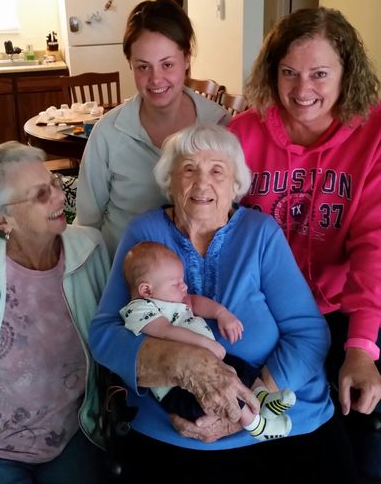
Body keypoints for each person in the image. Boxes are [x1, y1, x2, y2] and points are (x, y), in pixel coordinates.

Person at [90, 124, 358, 483]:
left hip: (284, 421)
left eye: (217, 170)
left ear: (235, 185)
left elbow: (308, 333)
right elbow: (105, 335)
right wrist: (179, 363)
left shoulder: (260, 233)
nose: (202, 183)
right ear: (170, 180)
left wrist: (252, 399)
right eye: (188, 169)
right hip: (174, 426)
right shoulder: (144, 235)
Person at [228, 6, 381, 478]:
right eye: (289, 73)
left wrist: (360, 346)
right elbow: (216, 228)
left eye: (319, 73)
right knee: (263, 440)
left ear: (346, 73)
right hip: (260, 316)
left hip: (342, 313)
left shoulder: (373, 136)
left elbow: (373, 243)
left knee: (351, 443)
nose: (301, 90)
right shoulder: (242, 134)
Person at [0, 141, 110, 484]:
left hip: (73, 432)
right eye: (40, 195)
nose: (58, 197)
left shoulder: (90, 249)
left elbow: (111, 329)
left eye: (54, 183)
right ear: (0, 219)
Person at [75, 0, 229, 258]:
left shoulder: (219, 126)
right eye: (143, 67)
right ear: (130, 64)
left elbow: (233, 215)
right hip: (123, 278)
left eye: (167, 64)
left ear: (187, 58)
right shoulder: (108, 133)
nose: (156, 79)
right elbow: (88, 225)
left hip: (200, 281)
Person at [121, 240, 296, 440]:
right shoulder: (139, 310)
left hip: (212, 361)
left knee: (242, 369)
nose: (184, 286)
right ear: (146, 290)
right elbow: (165, 331)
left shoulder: (171, 298)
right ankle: (258, 427)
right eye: (176, 283)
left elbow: (194, 301)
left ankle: (263, 398)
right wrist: (203, 344)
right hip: (177, 389)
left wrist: (221, 313)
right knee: (225, 393)